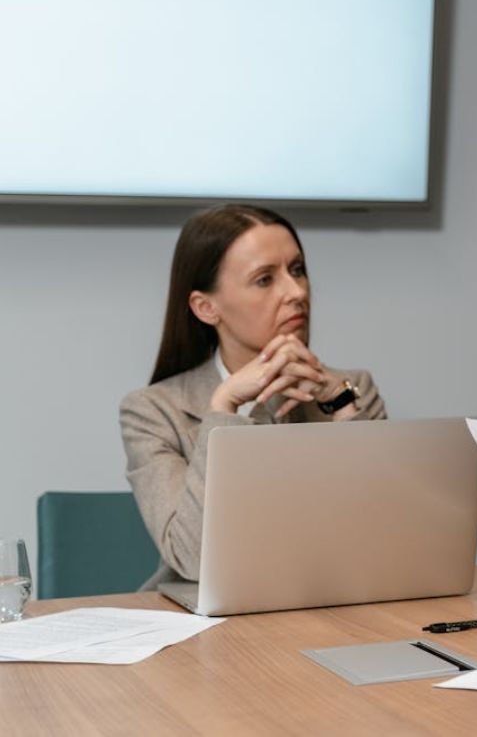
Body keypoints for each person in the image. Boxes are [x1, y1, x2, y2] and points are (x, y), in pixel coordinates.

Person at [120, 205, 386, 588]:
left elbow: (379, 538)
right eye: (264, 279)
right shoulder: (152, 410)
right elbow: (193, 558)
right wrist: (223, 407)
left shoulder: (351, 388)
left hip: (325, 606)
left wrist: (340, 407)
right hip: (206, 624)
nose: (297, 293)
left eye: (297, 270)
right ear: (206, 307)